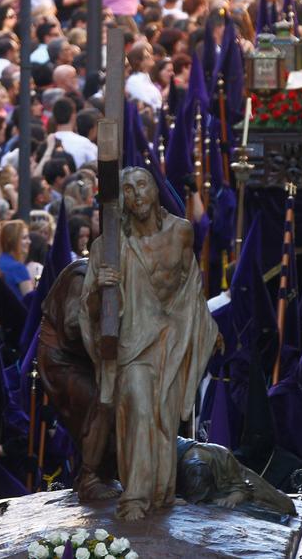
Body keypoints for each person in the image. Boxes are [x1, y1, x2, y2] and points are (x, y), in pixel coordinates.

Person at [78, 167, 219, 519]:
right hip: (132, 343)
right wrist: (99, 288)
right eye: (127, 189)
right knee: (139, 409)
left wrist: (205, 329)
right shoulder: (108, 247)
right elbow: (89, 310)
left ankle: (160, 494)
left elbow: (191, 289)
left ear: (155, 189)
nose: (136, 194)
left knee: (163, 420)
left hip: (171, 340)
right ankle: (135, 498)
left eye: (142, 185)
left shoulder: (181, 232)